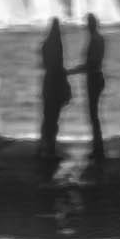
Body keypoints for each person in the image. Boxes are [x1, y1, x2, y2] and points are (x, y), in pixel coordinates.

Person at [68, 13, 107, 162]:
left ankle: (98, 149)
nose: (87, 26)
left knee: (93, 115)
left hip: (94, 79)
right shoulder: (99, 39)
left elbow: (90, 64)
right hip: (96, 78)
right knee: (94, 114)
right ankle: (97, 147)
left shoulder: (95, 40)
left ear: (91, 24)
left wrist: (70, 71)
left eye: (88, 23)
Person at [38, 18, 72, 159]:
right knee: (54, 118)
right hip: (56, 83)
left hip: (48, 83)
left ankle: (44, 146)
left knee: (47, 117)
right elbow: (57, 66)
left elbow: (44, 64)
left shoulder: (46, 45)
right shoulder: (58, 45)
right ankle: (50, 146)